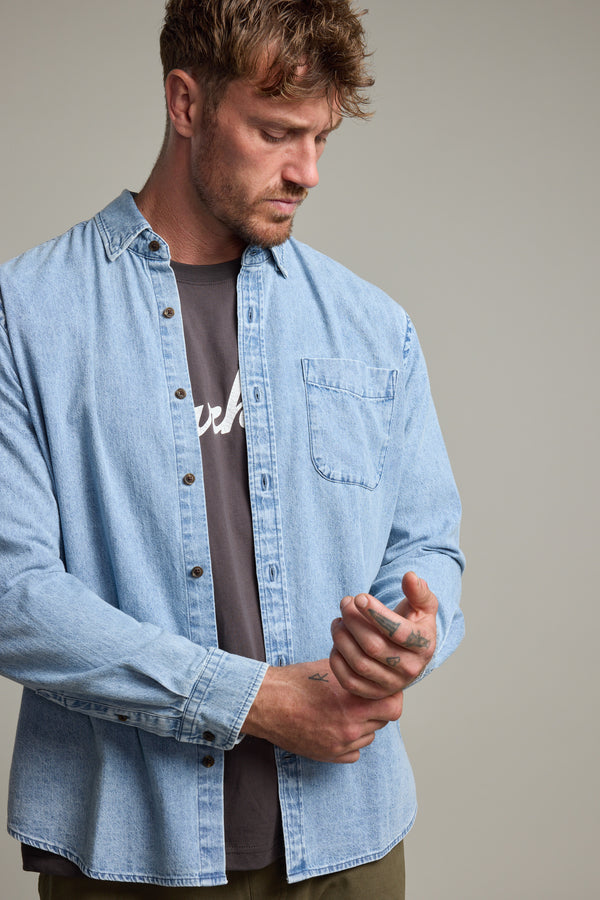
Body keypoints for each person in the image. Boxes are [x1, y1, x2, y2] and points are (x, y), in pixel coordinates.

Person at [0, 1, 464, 897]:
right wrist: (253, 701)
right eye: (277, 132)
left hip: (348, 842)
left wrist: (415, 631)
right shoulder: (28, 317)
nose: (308, 171)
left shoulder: (374, 327)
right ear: (185, 103)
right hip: (131, 851)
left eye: (321, 138)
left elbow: (428, 545)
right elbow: (12, 591)